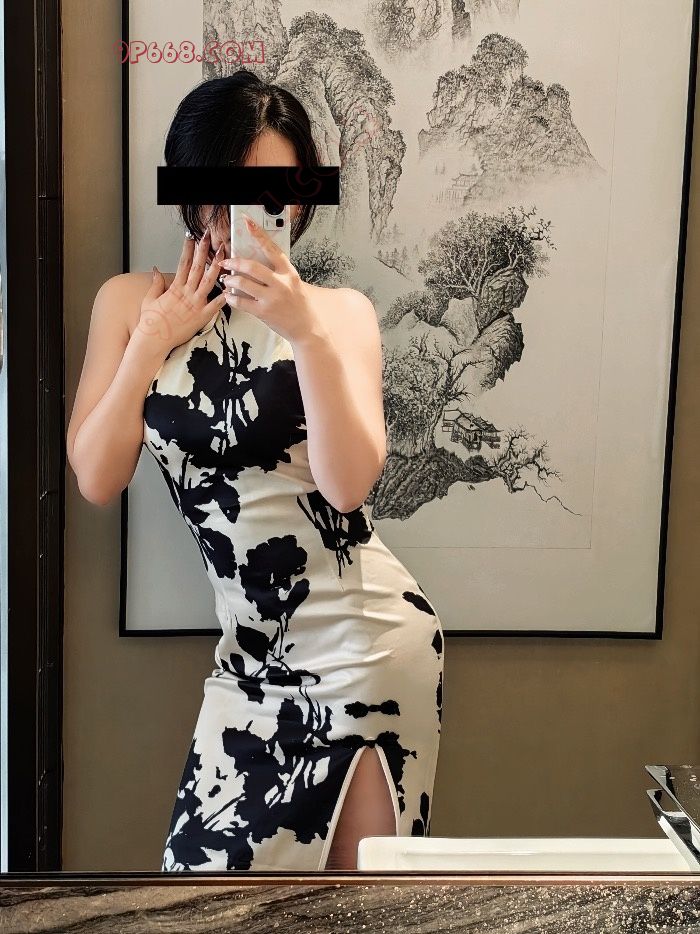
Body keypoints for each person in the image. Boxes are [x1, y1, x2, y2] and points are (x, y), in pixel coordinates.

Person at [66, 70, 444, 872]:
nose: (253, 212)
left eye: (277, 192)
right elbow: (96, 477)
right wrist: (152, 341)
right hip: (247, 661)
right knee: (204, 898)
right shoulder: (129, 304)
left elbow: (348, 487)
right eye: (229, 190)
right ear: (191, 191)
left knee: (355, 914)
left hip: (364, 647)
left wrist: (305, 334)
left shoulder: (340, 314)